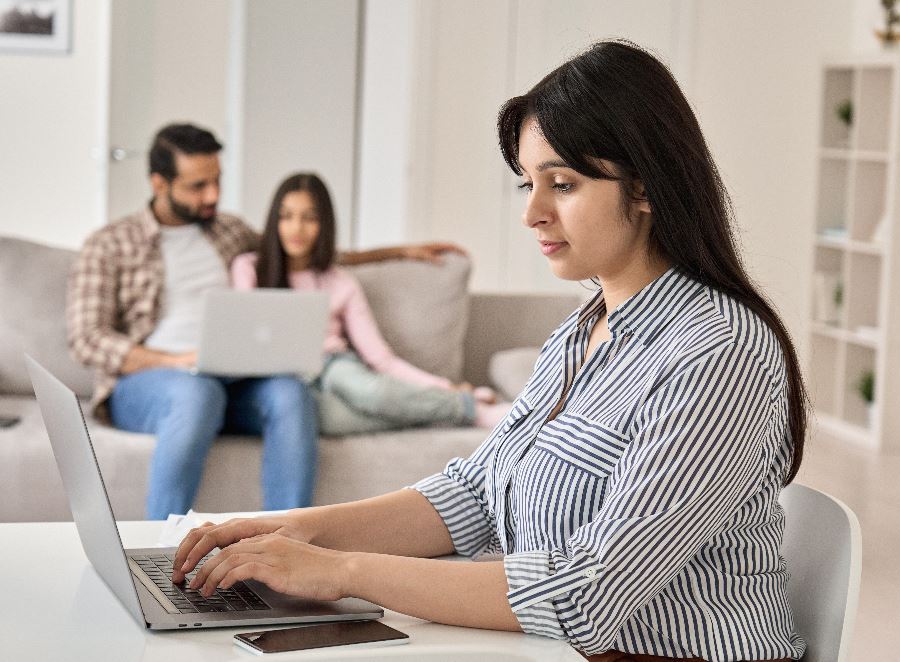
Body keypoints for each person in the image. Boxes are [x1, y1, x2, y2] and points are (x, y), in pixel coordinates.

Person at [171, 41, 807, 662]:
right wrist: (294, 529)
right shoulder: (580, 334)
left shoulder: (720, 349)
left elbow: (588, 596)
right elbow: (474, 495)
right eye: (527, 183)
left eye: (561, 183)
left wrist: (340, 571)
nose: (532, 212)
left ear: (644, 188)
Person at [67, 123, 464, 521]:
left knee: (291, 394)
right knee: (197, 394)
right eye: (197, 186)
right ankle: (158, 550)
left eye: (217, 181)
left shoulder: (228, 231)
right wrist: (176, 361)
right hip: (154, 383)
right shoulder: (109, 244)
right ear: (159, 183)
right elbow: (87, 339)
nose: (213, 196)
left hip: (233, 378)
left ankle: (285, 547)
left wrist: (397, 251)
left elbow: (299, 252)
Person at [230, 172, 509, 434]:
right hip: (284, 380)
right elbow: (248, 340)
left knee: (372, 393)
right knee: (322, 417)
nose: (296, 228)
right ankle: (456, 408)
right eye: (286, 217)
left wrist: (445, 386)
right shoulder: (248, 268)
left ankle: (470, 409)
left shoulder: (341, 283)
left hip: (332, 365)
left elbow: (381, 359)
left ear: (324, 224)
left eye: (310, 218)